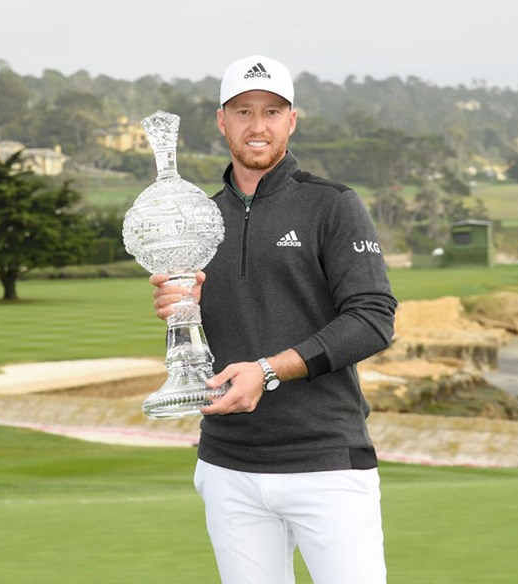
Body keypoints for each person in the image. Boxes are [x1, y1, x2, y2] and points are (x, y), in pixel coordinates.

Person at [150, 54, 397, 584]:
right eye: (243, 111)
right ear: (222, 121)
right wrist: (180, 309)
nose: (257, 126)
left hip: (325, 462)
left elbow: (374, 318)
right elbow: (210, 331)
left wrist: (268, 370)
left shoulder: (332, 205)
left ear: (291, 120)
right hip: (228, 465)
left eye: (271, 111)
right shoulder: (198, 218)